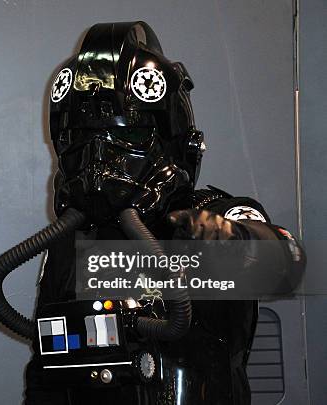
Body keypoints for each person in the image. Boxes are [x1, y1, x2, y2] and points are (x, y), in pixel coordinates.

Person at [18, 22, 304, 404]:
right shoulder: (70, 244)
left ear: (174, 141)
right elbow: (47, 373)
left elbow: (287, 266)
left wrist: (225, 239)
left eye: (129, 136)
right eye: (81, 138)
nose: (99, 157)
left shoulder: (214, 217)